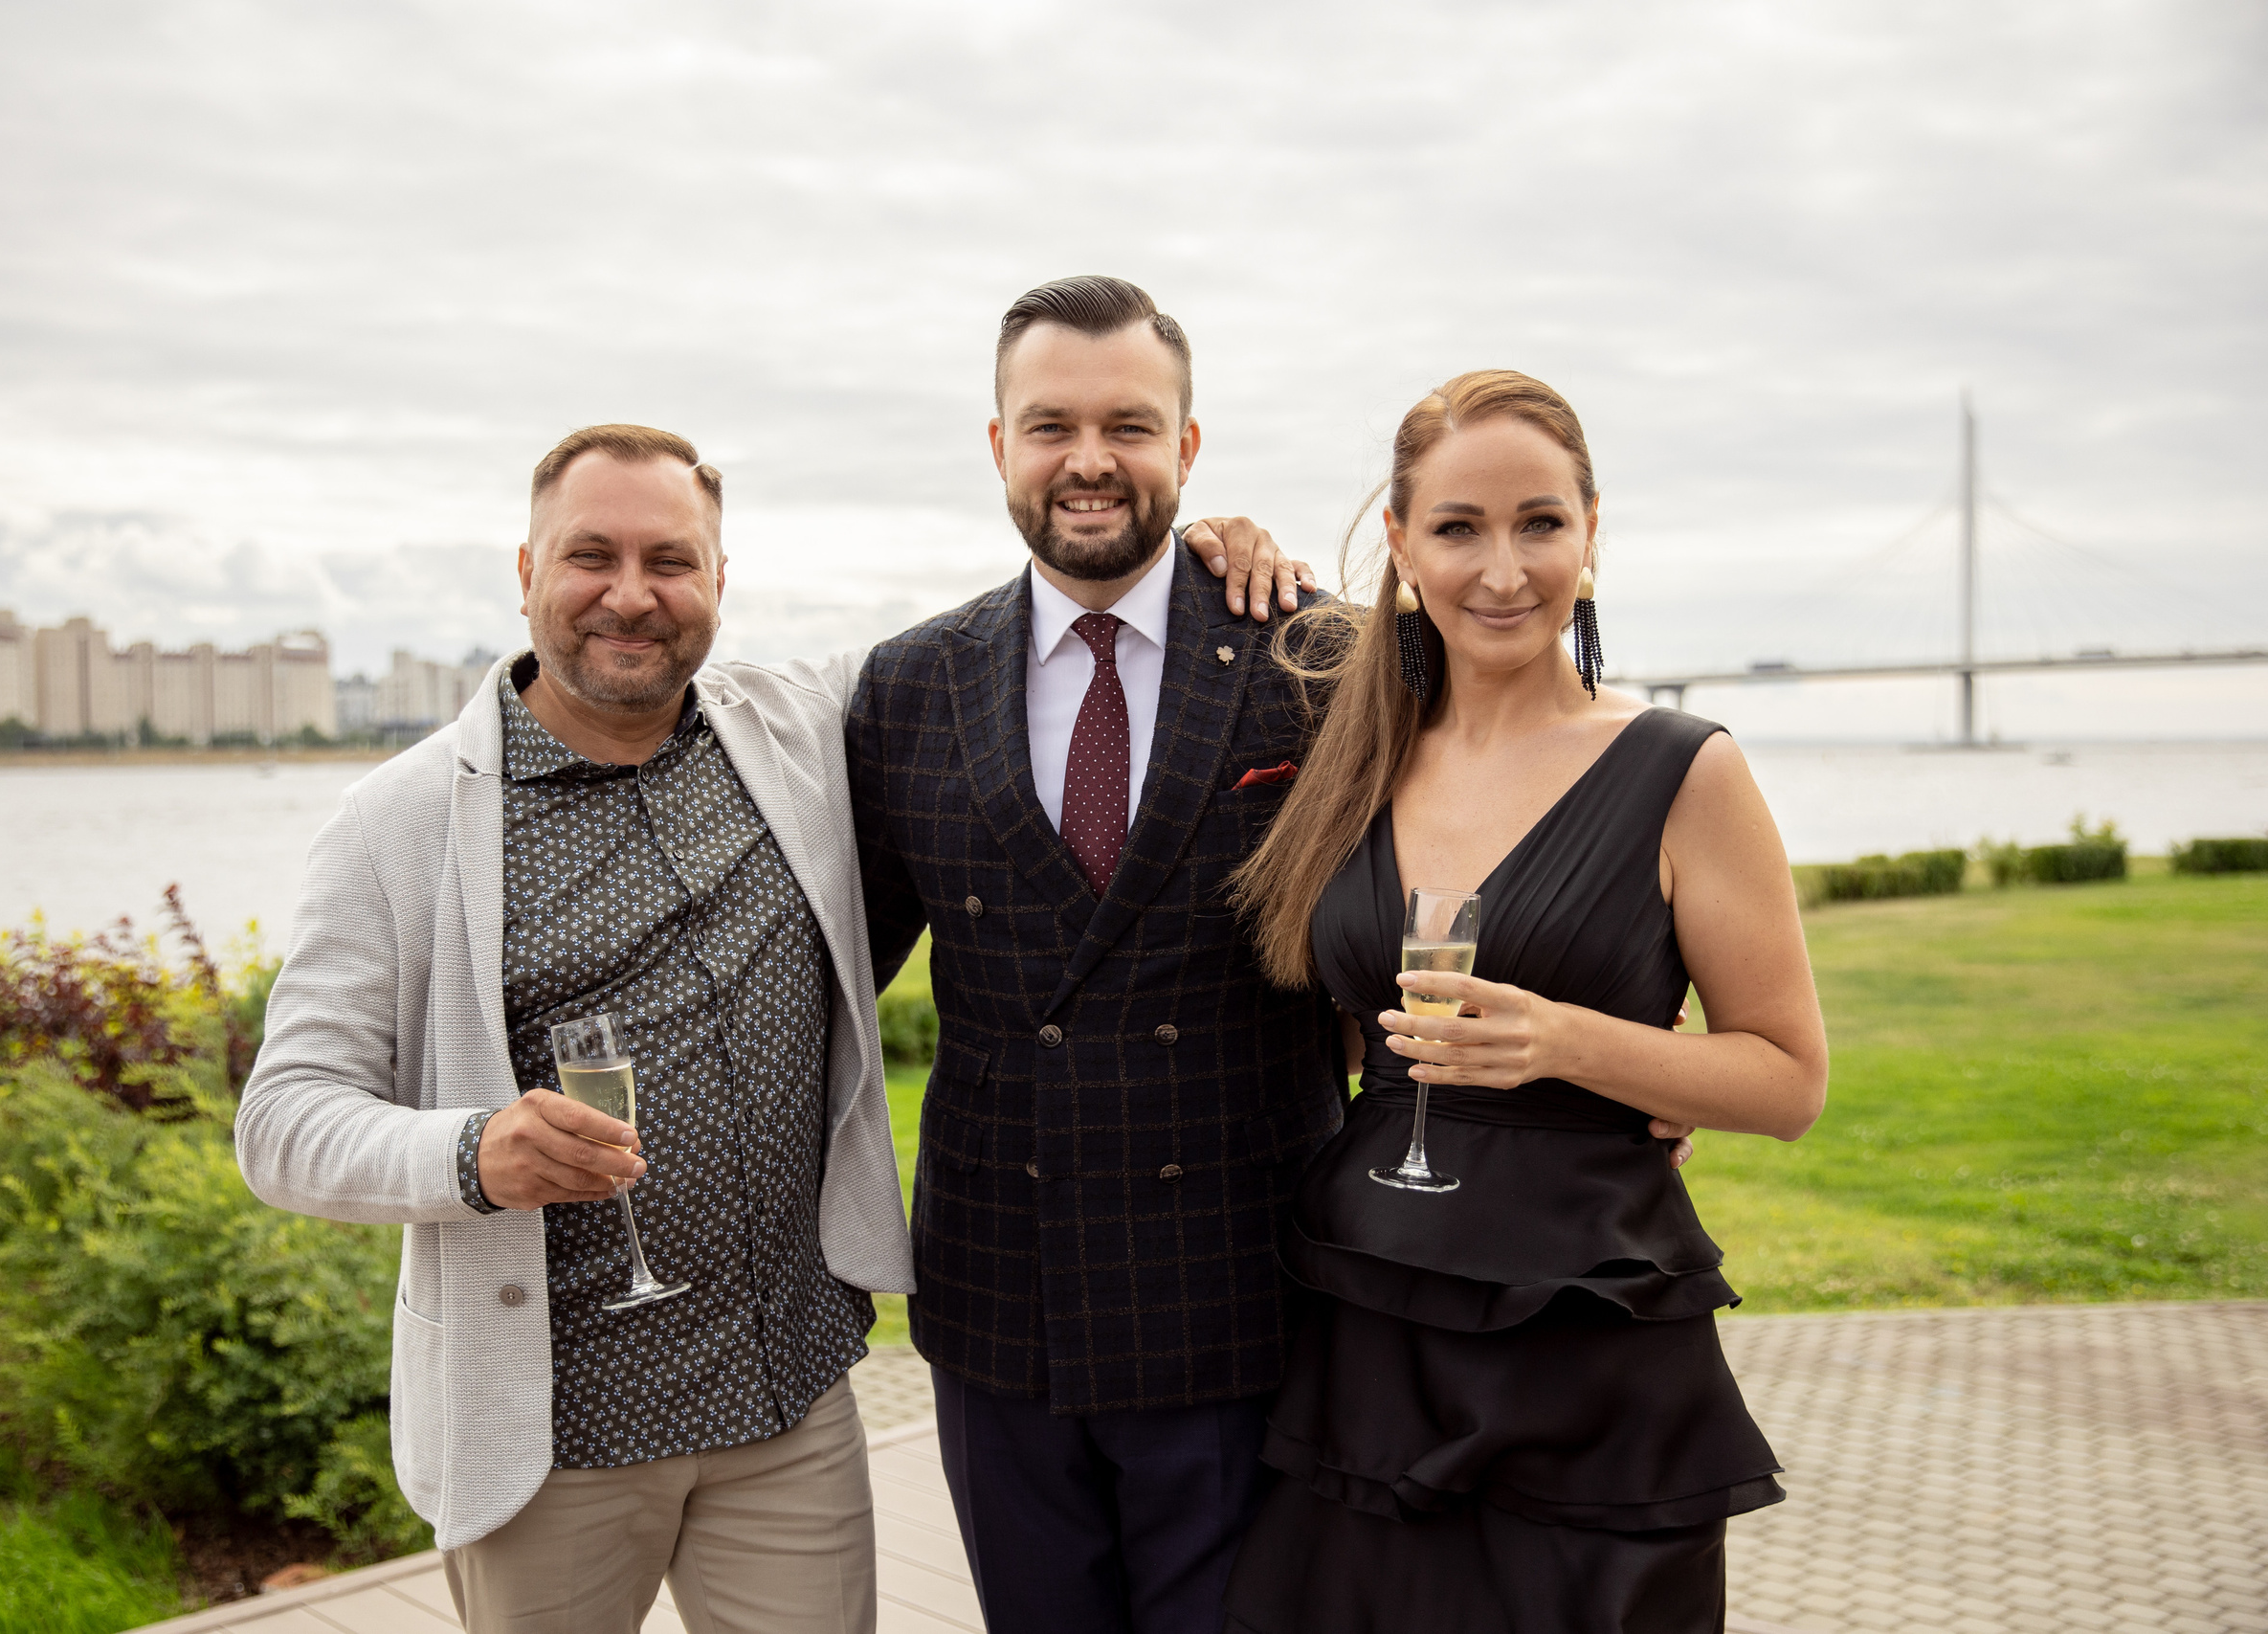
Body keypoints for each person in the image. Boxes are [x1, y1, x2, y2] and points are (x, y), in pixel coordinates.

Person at [234, 419, 1301, 1634]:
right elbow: (281, 1123)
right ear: (524, 572)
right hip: (552, 1433)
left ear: (721, 583)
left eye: (672, 562)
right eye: (591, 556)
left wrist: (1198, 555)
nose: (631, 597)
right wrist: (468, 1156)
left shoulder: (796, 726)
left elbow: (1032, 625)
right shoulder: (400, 822)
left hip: (787, 1405)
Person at [844, 279, 1695, 1634]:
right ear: (996, 443)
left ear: (1187, 448)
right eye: (1050, 422)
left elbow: (1508, 829)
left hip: (1250, 1289)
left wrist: (1597, 1081)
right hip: (1003, 1292)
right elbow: (839, 969)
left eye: (1131, 423)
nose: (1089, 458)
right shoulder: (905, 682)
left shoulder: (1327, 660)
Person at [1220, 370, 1830, 1632]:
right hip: (1367, 1331)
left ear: (1593, 533)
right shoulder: (1356, 753)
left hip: (1591, 1358)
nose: (1503, 568)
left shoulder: (1683, 768)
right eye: (1458, 527)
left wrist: (1571, 1041)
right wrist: (1212, 539)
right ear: (1399, 543)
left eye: (1540, 523)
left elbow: (1787, 1078)